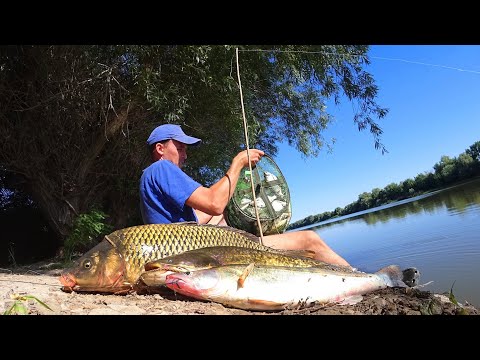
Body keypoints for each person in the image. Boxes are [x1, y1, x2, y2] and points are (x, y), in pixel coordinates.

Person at [139, 123, 351, 267]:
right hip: (194, 253)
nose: (185, 155)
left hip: (183, 247)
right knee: (309, 239)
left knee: (221, 217)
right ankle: (363, 278)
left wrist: (227, 192)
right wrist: (238, 163)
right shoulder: (162, 169)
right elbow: (214, 204)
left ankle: (258, 245)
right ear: (160, 148)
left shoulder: (148, 176)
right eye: (180, 148)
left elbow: (207, 210)